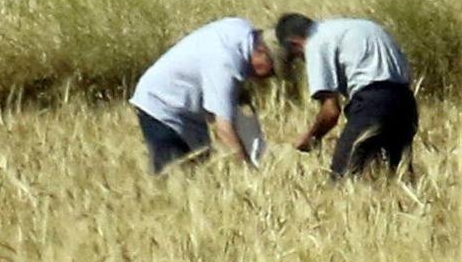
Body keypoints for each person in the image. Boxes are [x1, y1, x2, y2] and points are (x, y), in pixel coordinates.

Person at [274, 13, 418, 179]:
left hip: (372, 104)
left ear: (294, 44)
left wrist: (312, 137)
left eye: (297, 56)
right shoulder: (356, 26)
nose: (301, 60)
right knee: (397, 176)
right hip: (406, 101)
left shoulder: (315, 43)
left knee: (343, 177)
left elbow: (331, 111)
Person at [129, 17, 275, 174]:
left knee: (199, 178)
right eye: (272, 69)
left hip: (189, 113)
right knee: (173, 180)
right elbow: (224, 129)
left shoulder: (242, 30)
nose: (270, 76)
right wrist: (249, 171)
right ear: (260, 51)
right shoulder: (225, 63)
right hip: (161, 104)